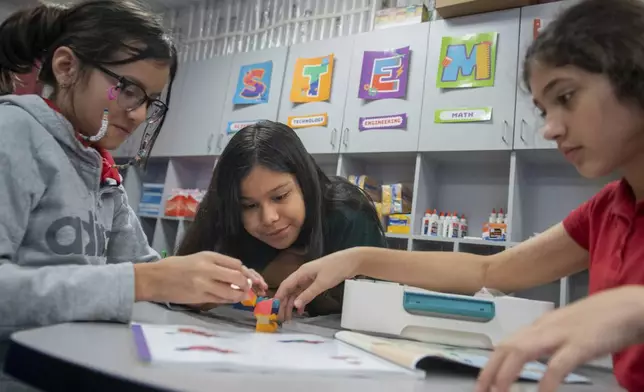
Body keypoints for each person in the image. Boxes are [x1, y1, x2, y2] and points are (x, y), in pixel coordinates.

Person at [274, 0, 644, 390]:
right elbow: (489, 271)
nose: (549, 129)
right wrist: (357, 258)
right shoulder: (606, 211)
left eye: (565, 97)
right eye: (542, 110)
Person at [0, 1, 265, 388]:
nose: (139, 114)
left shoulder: (98, 164)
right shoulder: (13, 133)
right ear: (66, 67)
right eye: (127, 89)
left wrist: (197, 285)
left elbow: (141, 265)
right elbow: (140, 278)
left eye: (150, 100)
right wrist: (146, 282)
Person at [176, 120, 386, 316]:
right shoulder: (224, 212)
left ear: (304, 182)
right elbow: (179, 287)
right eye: (249, 205)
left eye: (280, 196)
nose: (269, 218)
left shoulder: (348, 215)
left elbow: (373, 310)